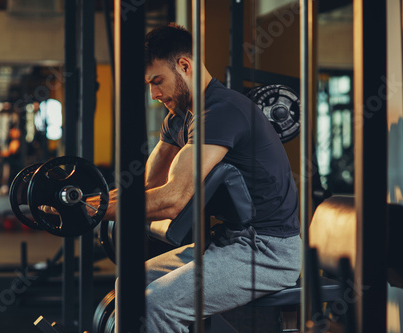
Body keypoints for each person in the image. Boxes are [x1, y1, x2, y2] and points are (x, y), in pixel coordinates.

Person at [89, 24, 301, 332]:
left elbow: (174, 199)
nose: (153, 94)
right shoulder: (178, 119)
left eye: (157, 81)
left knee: (151, 306)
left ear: (184, 66)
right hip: (230, 242)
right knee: (129, 286)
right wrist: (89, 201)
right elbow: (147, 186)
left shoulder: (221, 111)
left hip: (268, 251)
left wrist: (92, 210)